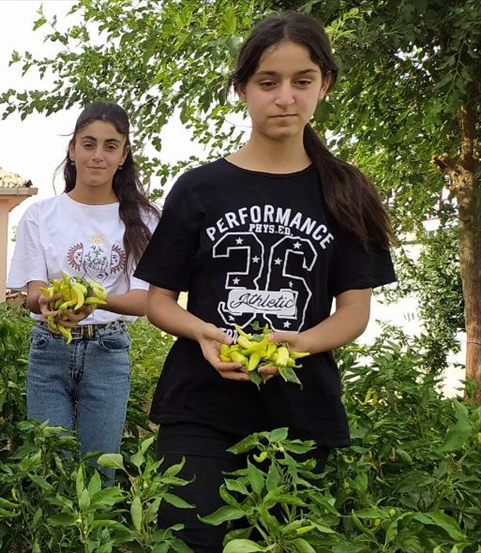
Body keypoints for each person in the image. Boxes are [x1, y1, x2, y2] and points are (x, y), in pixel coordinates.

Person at [133, 13, 397, 551]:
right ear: (242, 90)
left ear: (324, 84)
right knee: (192, 542)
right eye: (267, 82)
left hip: (299, 417)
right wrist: (205, 333)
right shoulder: (200, 187)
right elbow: (160, 300)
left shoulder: (347, 191)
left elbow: (353, 312)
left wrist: (301, 343)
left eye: (301, 81)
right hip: (199, 408)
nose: (285, 98)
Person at [6, 102, 159, 478]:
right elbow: (31, 294)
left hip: (108, 350)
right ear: (72, 150)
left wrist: (92, 302)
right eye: (88, 144)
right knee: (49, 465)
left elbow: (144, 301)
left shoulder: (145, 219)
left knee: (100, 469)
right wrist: (50, 302)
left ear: (123, 155)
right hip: (49, 347)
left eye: (110, 146)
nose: (98, 155)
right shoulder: (40, 215)